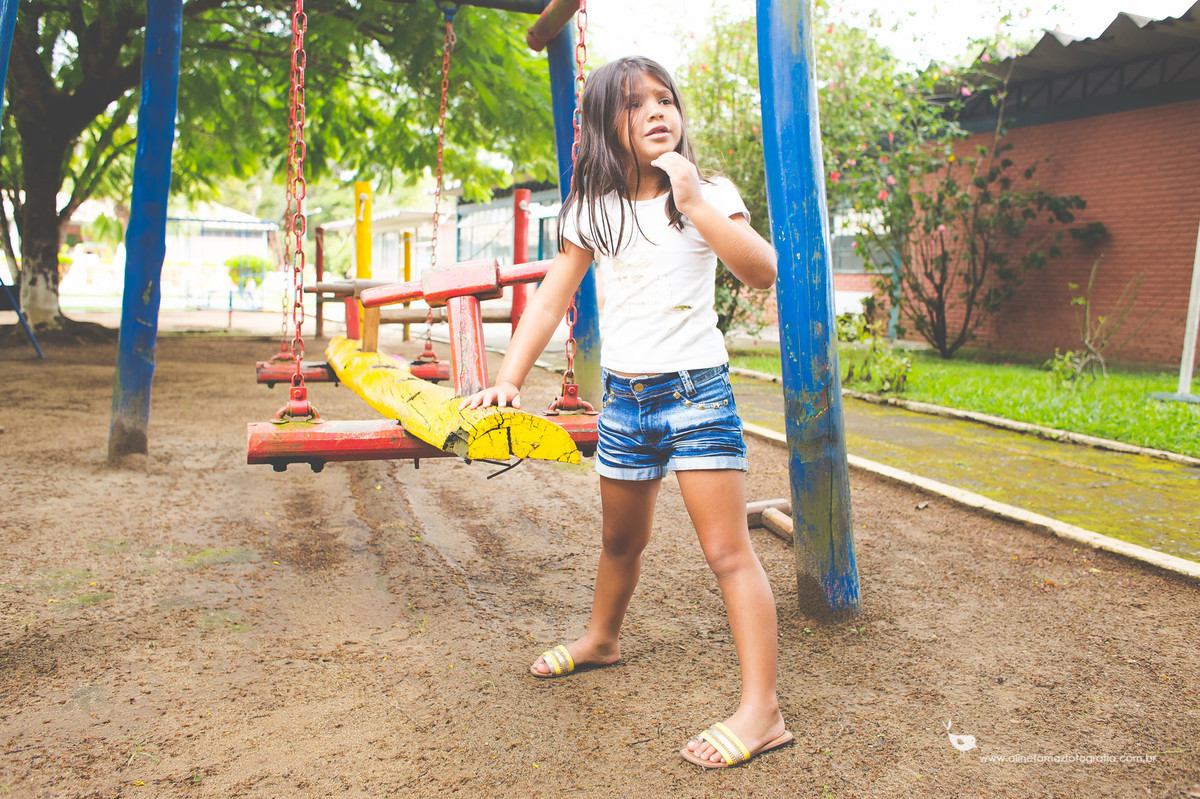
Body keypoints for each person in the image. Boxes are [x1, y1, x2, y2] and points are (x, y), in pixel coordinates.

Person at [460, 56, 791, 769]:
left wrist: (697, 201)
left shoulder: (708, 193)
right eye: (636, 104)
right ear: (605, 124)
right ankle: (603, 638)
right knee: (619, 541)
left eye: (665, 100)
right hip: (624, 401)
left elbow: (762, 272)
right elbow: (551, 298)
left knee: (727, 550)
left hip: (697, 394)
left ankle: (762, 710)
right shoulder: (594, 205)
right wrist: (508, 379)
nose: (655, 112)